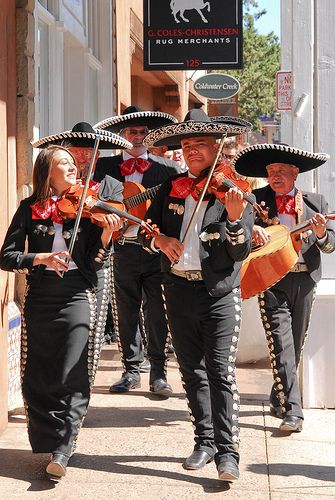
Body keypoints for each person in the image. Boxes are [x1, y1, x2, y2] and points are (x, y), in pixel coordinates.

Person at [140, 109, 254, 481]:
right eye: (186, 144)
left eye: (199, 144)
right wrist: (160, 239)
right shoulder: (170, 188)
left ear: (217, 149)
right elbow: (144, 233)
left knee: (220, 371)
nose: (191, 150)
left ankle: (228, 452)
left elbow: (240, 252)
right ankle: (204, 441)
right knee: (192, 371)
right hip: (177, 288)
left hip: (219, 293)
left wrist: (235, 220)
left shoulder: (235, 190)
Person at [0, 145, 123, 479]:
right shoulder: (29, 208)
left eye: (72, 162)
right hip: (40, 298)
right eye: (64, 162)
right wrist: (38, 259)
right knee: (40, 374)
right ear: (47, 171)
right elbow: (7, 256)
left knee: (73, 370)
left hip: (75, 296)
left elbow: (96, 260)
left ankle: (63, 448)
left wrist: (107, 235)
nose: (73, 167)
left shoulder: (86, 206)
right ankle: (48, 441)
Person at [233, 143, 335, 432]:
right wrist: (252, 232)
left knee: (295, 343)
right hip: (271, 278)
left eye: (281, 171)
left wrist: (319, 232)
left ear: (295, 173)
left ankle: (279, 396)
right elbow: (241, 236)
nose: (275, 176)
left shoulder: (316, 201)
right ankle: (294, 410)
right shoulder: (256, 200)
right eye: (270, 171)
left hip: (305, 279)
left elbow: (330, 246)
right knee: (281, 342)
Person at [93, 106, 179, 397]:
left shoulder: (168, 169)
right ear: (122, 135)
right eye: (133, 132)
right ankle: (130, 370)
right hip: (122, 248)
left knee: (158, 312)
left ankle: (159, 373)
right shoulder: (103, 167)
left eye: (144, 132)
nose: (139, 136)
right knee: (126, 312)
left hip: (156, 251)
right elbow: (95, 204)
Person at [31, 122, 132, 345]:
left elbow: (119, 223)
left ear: (97, 158)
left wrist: (110, 224)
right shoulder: (58, 185)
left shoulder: (109, 185)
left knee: (92, 332)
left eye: (90, 155)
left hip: (97, 262)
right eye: (78, 155)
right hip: (61, 264)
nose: (84, 160)